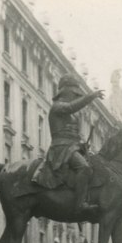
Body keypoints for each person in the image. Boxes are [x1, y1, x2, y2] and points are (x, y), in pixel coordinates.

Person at [32, 75, 104, 216]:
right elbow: (72, 107)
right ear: (66, 92)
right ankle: (80, 205)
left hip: (72, 147)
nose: (76, 97)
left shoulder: (73, 114)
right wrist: (91, 97)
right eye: (74, 93)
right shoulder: (57, 107)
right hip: (61, 148)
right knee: (84, 168)